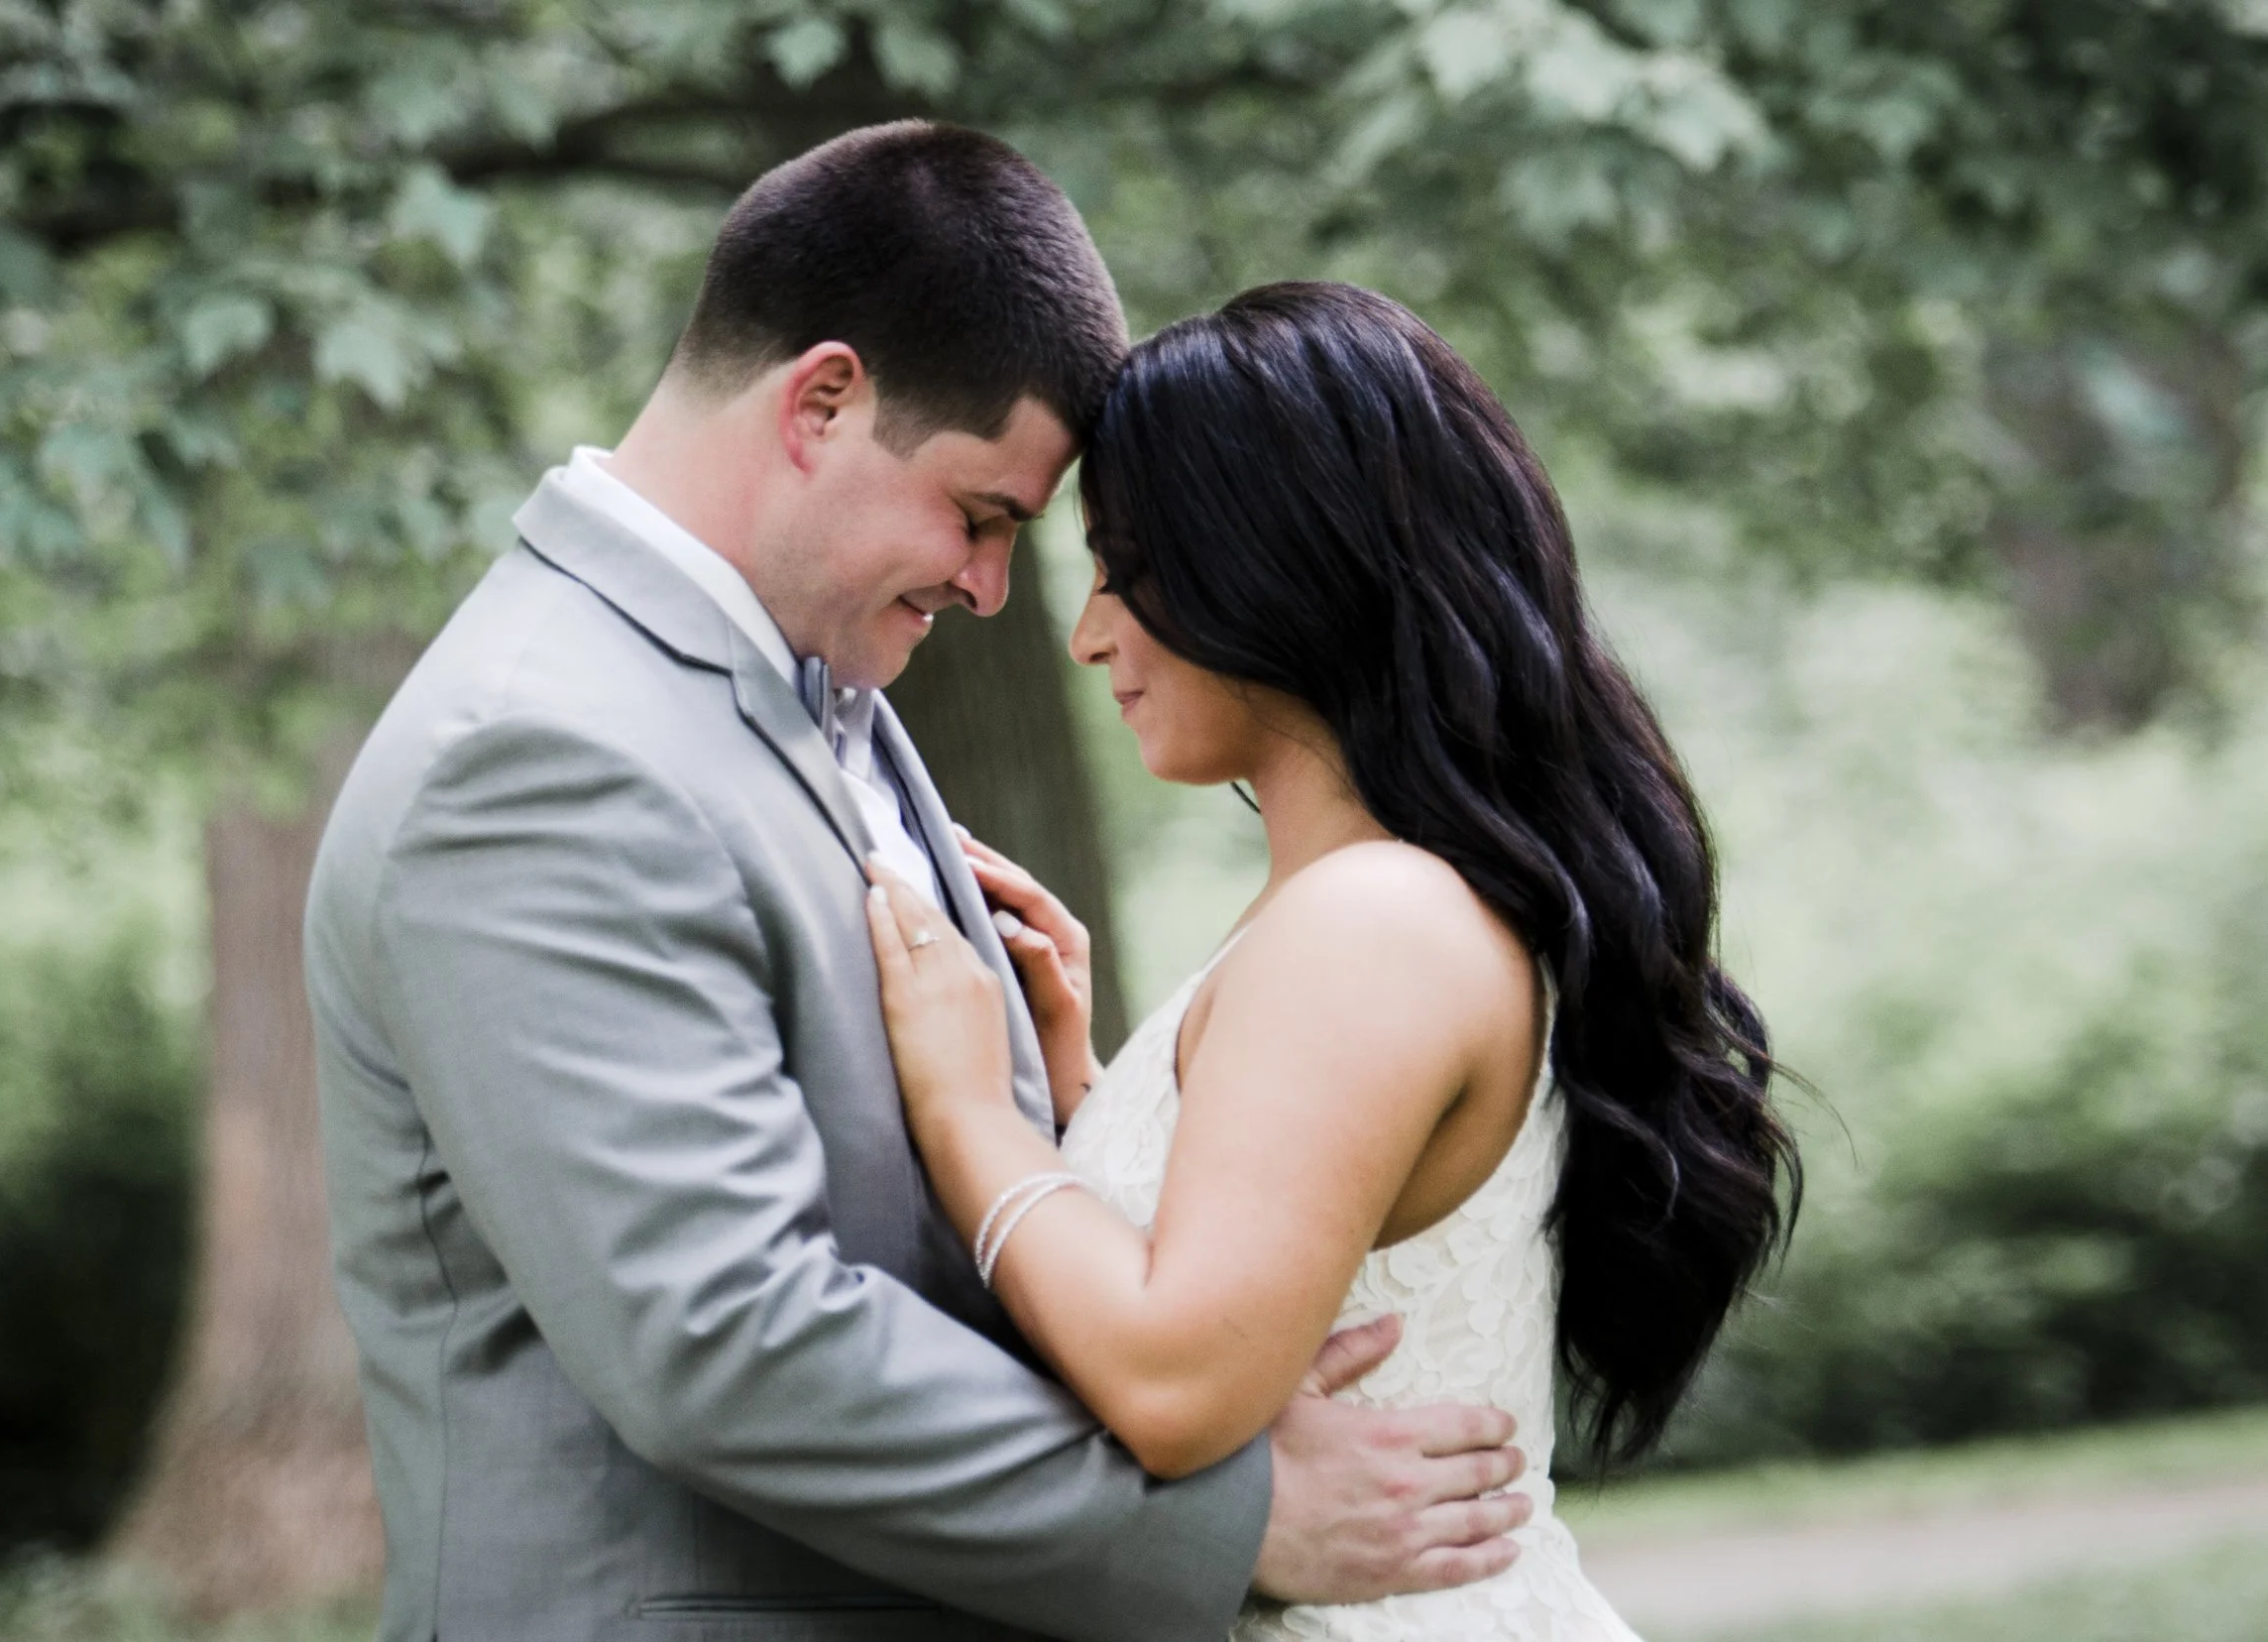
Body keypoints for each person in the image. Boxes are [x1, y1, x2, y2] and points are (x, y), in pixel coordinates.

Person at [305, 129, 1536, 1642]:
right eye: (982, 517)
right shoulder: (539, 756)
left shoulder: (815, 694)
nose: (997, 593)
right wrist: (1243, 1517)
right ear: (823, 402)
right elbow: (723, 1340)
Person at [864, 281, 1803, 1641]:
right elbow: (1269, 1275)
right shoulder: (1373, 905)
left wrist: (963, 1111)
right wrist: (1082, 1106)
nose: (1090, 635)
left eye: (1127, 570)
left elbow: (1180, 1384)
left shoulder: (1373, 921)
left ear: (1276, 561)